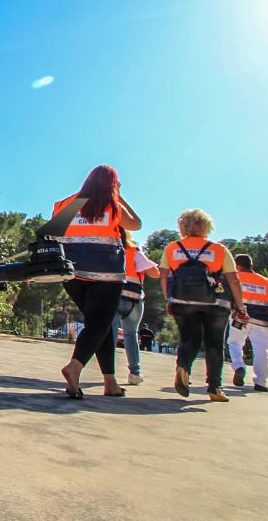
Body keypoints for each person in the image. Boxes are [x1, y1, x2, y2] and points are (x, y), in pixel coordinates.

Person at [54, 165, 142, 399]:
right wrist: (119, 195)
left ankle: (110, 382)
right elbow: (136, 224)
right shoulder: (113, 206)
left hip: (71, 275)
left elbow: (52, 233)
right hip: (106, 277)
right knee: (99, 324)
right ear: (112, 184)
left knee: (99, 325)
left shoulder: (65, 205)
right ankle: (75, 367)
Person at [160, 209, 246, 402]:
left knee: (189, 339)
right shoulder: (219, 249)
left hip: (182, 301)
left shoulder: (172, 248)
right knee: (214, 344)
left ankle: (183, 366)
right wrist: (240, 306)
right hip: (215, 303)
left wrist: (168, 299)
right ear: (206, 226)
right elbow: (234, 280)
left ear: (182, 227)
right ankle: (214, 388)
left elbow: (164, 275)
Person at [110, 227, 160, 384]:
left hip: (114, 297)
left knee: (109, 335)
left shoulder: (108, 250)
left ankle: (109, 372)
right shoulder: (133, 251)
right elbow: (155, 273)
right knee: (130, 335)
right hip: (134, 299)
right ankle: (135, 373)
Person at [227, 254, 268, 391]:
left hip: (240, 316)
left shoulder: (235, 278)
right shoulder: (266, 282)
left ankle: (239, 366)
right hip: (263, 320)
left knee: (234, 343)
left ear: (237, 266)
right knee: (261, 349)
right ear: (251, 265)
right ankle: (261, 382)